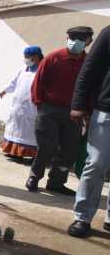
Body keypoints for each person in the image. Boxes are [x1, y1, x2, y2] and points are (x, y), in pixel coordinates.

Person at [26, 26, 94, 195]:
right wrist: (39, 105)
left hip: (75, 113)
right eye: (73, 37)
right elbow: (38, 82)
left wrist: (88, 112)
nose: (76, 42)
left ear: (88, 42)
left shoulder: (89, 62)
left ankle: (56, 182)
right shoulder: (53, 57)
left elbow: (91, 88)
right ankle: (34, 176)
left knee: (69, 150)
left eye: (81, 39)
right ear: (67, 38)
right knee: (47, 147)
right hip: (49, 109)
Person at [68, 25, 110, 237]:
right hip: (106, 112)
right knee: (96, 164)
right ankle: (82, 217)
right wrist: (78, 104)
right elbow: (90, 69)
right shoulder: (109, 33)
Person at [0, 46, 44, 159]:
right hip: (18, 106)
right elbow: (13, 82)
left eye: (28, 57)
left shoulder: (42, 70)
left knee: (30, 131)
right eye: (25, 57)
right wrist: (4, 91)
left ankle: (32, 155)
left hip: (32, 107)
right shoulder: (23, 69)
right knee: (14, 128)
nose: (26, 59)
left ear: (36, 57)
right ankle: (14, 152)